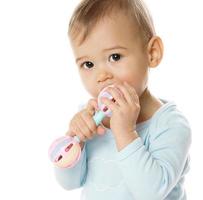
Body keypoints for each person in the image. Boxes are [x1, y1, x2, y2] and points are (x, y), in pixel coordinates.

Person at [53, 0, 192, 199]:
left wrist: (125, 132)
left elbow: (151, 193)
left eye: (115, 57)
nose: (101, 76)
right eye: (88, 64)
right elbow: (69, 183)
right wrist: (76, 141)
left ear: (152, 53)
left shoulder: (170, 125)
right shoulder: (92, 116)